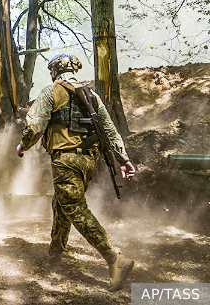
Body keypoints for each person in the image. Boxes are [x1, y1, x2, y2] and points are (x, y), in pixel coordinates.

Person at [15, 54, 136, 292]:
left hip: (66, 159)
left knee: (74, 207)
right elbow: (111, 130)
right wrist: (124, 159)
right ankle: (56, 252)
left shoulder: (52, 91)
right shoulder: (91, 95)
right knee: (63, 201)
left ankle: (115, 258)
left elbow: (34, 126)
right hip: (89, 160)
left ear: (54, 72)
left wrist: (23, 145)